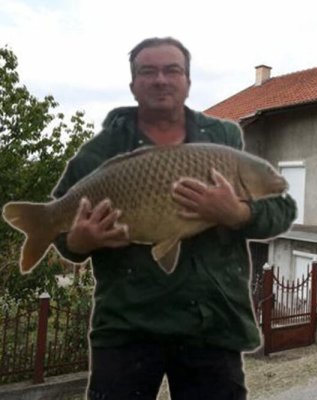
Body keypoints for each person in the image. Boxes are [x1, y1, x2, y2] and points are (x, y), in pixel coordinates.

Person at [52, 37, 297, 399]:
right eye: (148, 71)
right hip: (126, 326)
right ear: (133, 84)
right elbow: (61, 231)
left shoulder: (224, 139)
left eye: (172, 70)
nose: (161, 79)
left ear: (187, 81)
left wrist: (237, 213)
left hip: (212, 324)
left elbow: (282, 209)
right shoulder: (98, 153)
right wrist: (79, 241)